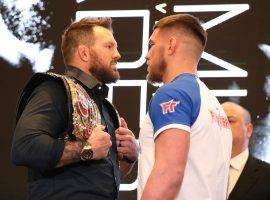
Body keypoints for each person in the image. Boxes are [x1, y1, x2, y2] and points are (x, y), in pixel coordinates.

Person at [11, 17, 138, 200]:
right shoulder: (54, 89)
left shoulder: (106, 107)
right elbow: (24, 148)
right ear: (84, 53)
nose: (117, 54)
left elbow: (97, 179)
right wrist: (87, 148)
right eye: (109, 46)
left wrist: (129, 157)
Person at [137, 14, 232, 200]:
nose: (147, 55)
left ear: (171, 45)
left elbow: (168, 175)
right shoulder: (212, 102)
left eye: (152, 44)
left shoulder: (172, 93)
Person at [222, 102, 270, 200]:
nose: (222, 126)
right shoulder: (197, 171)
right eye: (218, 121)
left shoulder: (267, 176)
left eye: (230, 120)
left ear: (248, 130)